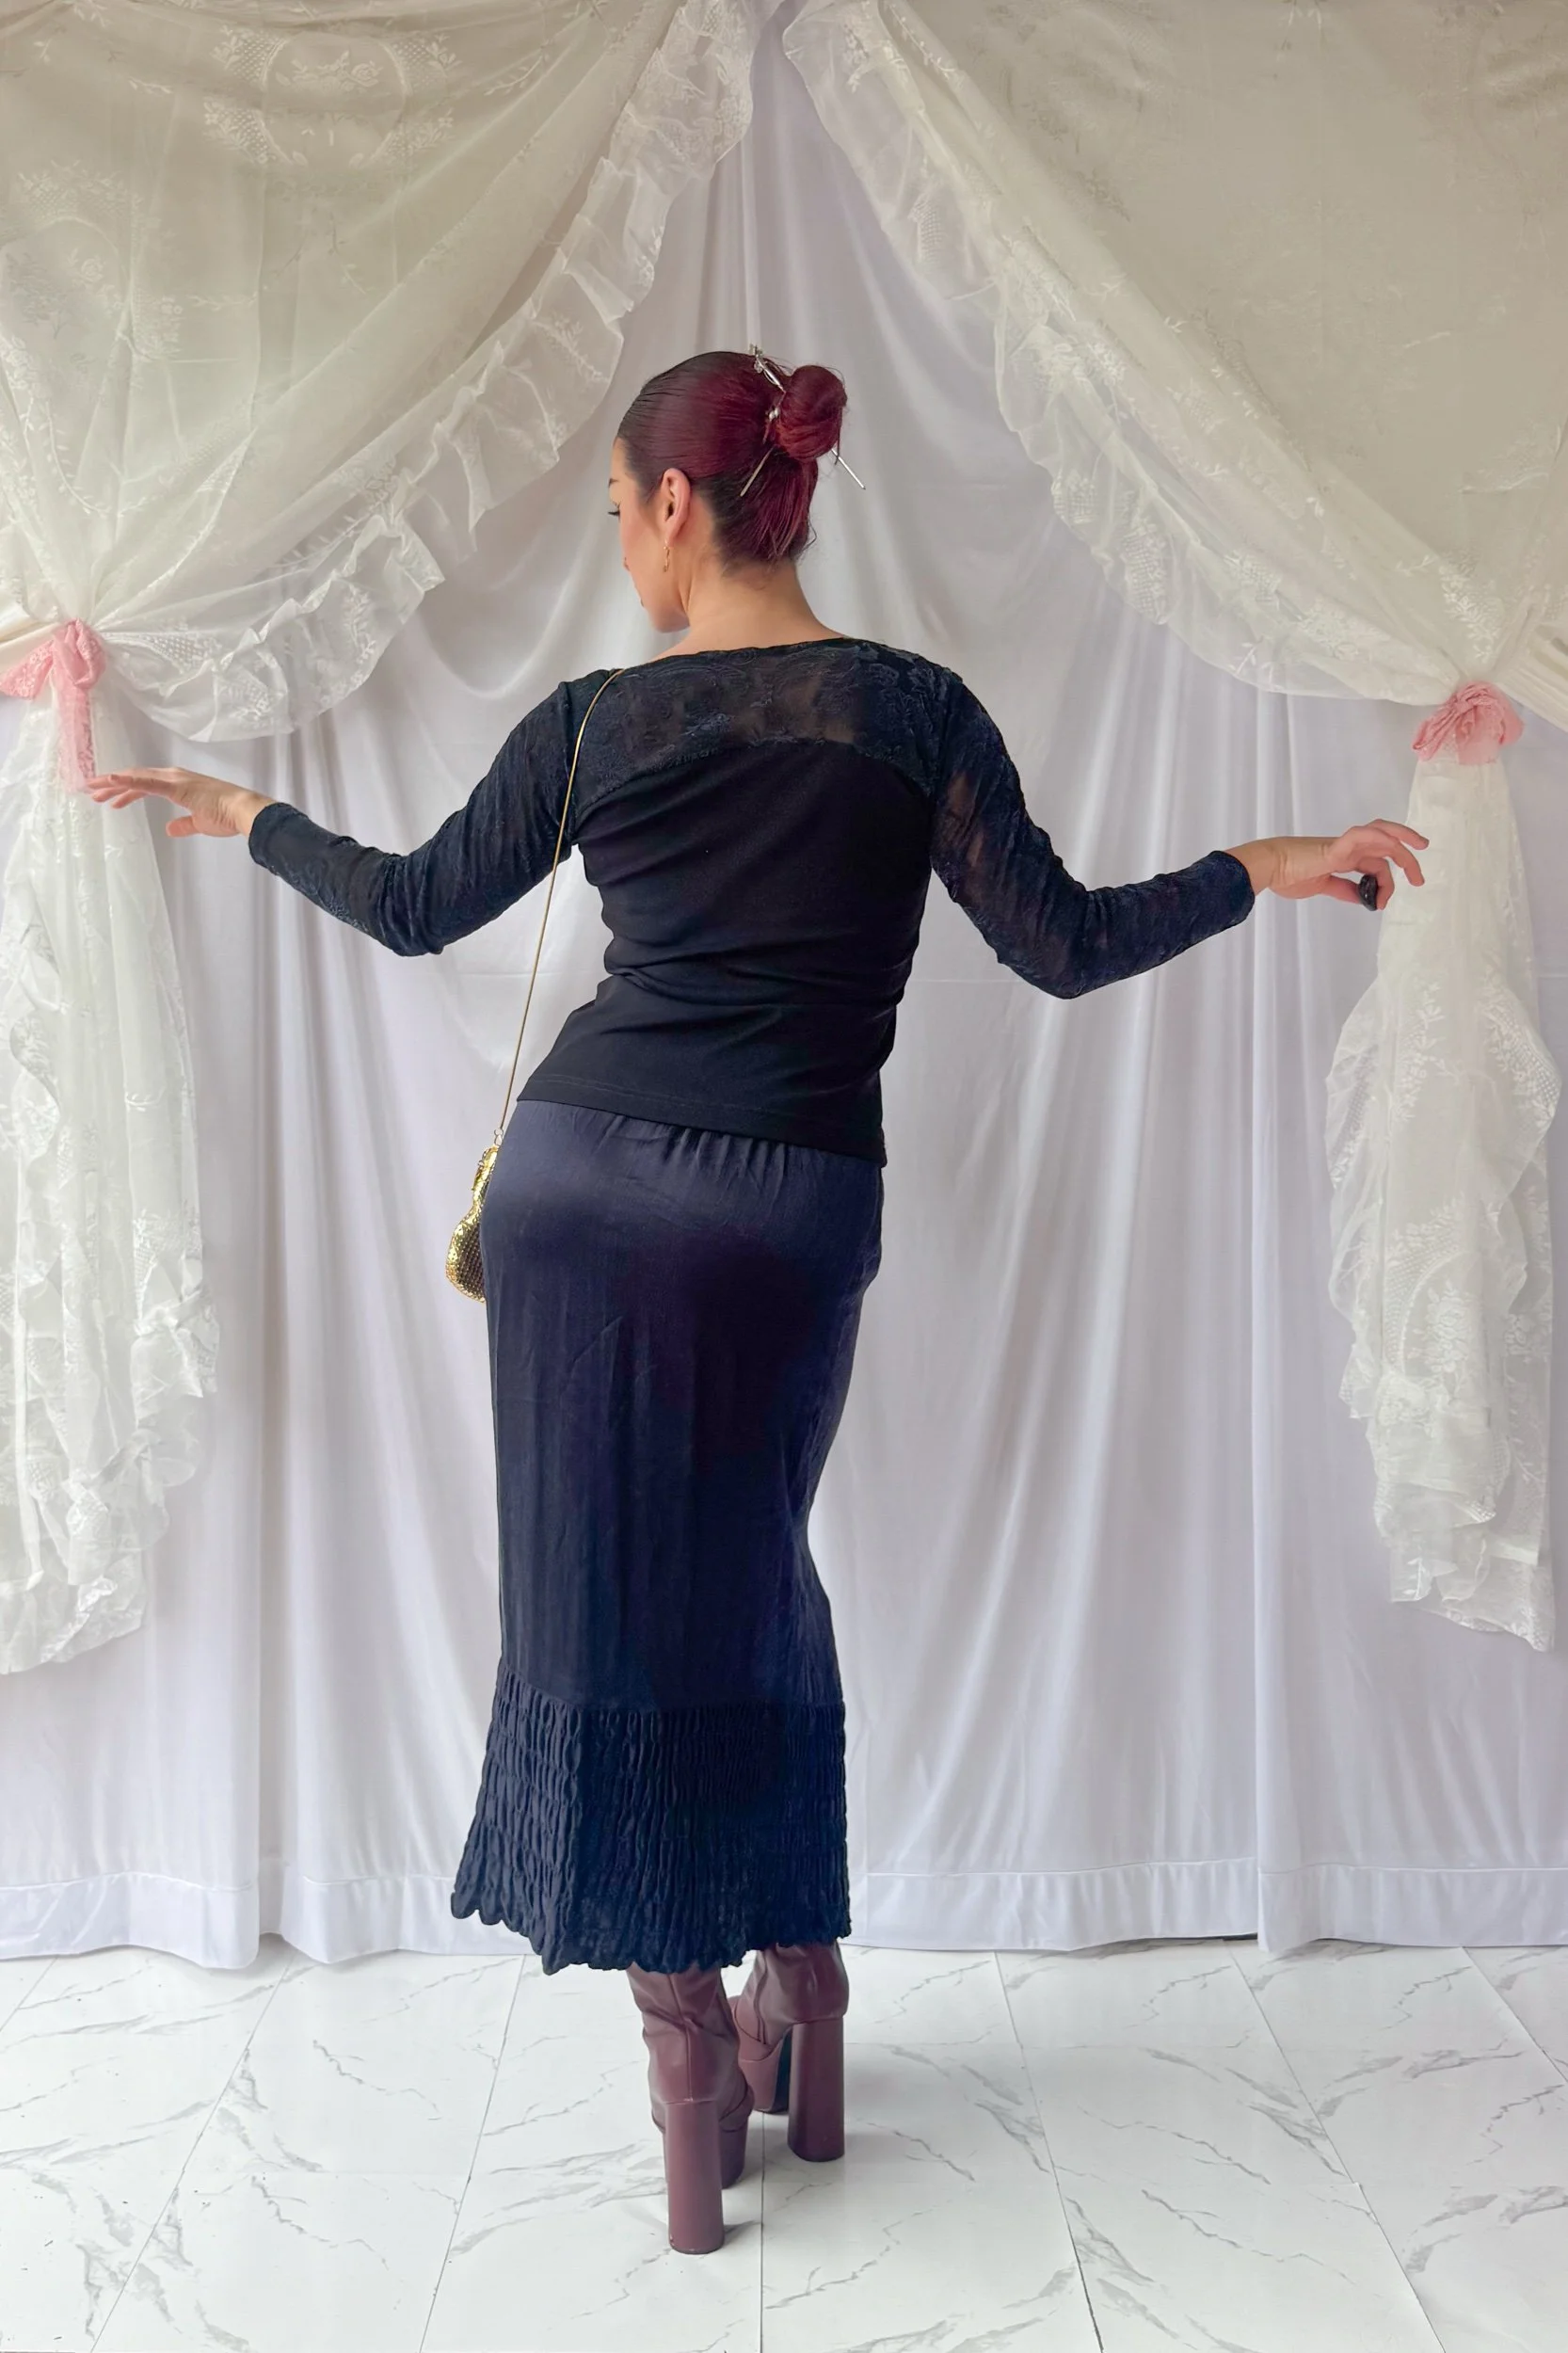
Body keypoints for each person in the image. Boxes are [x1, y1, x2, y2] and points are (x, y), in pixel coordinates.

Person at [88, 348, 1427, 2257]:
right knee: (755, 1578)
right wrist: (1255, 866)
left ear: (670, 503)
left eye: (614, 513)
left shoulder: (594, 722)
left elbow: (413, 905)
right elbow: (1058, 946)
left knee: (603, 1614)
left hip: (577, 1197)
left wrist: (250, 814)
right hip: (787, 1204)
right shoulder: (911, 710)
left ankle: (686, 2062)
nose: (617, 549)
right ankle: (803, 1981)